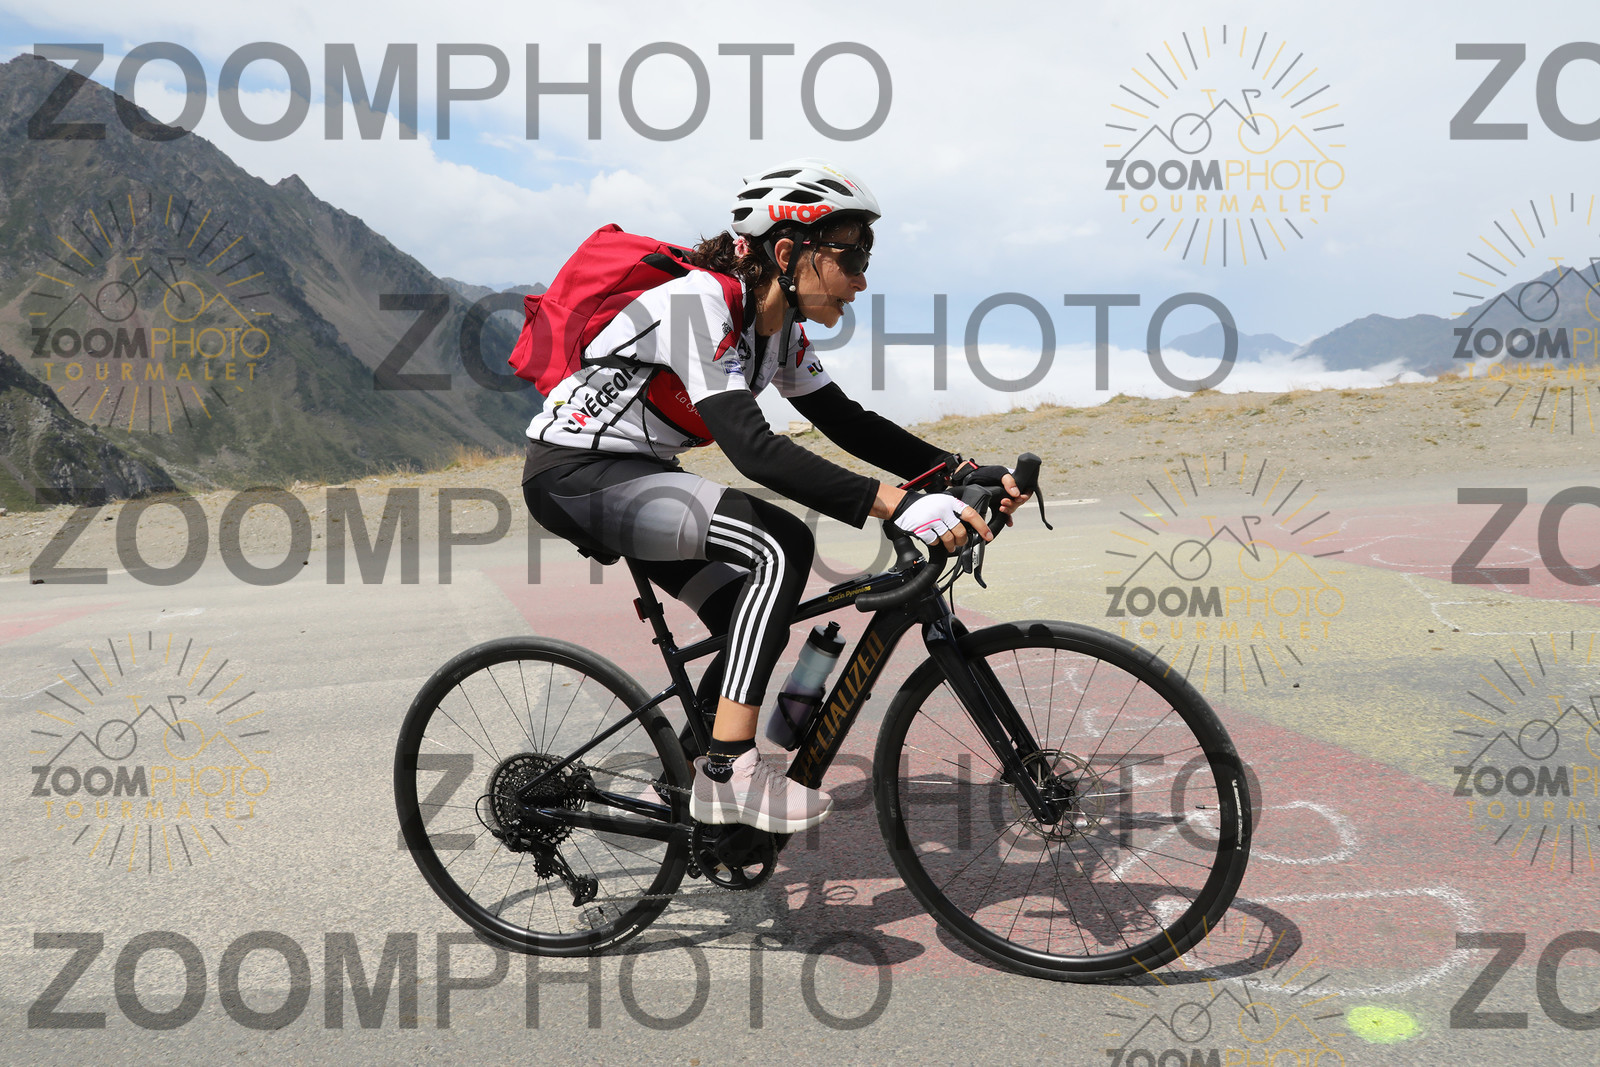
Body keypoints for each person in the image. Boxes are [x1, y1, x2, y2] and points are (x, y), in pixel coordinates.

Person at [520, 158, 1031, 834]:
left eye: (867, 256)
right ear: (787, 253)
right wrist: (898, 504)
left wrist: (956, 471)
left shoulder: (778, 330)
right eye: (850, 256)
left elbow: (846, 421)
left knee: (753, 614)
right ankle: (728, 771)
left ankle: (681, 782)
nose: (862, 278)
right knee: (780, 542)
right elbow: (754, 450)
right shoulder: (696, 304)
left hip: (636, 473)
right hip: (575, 475)